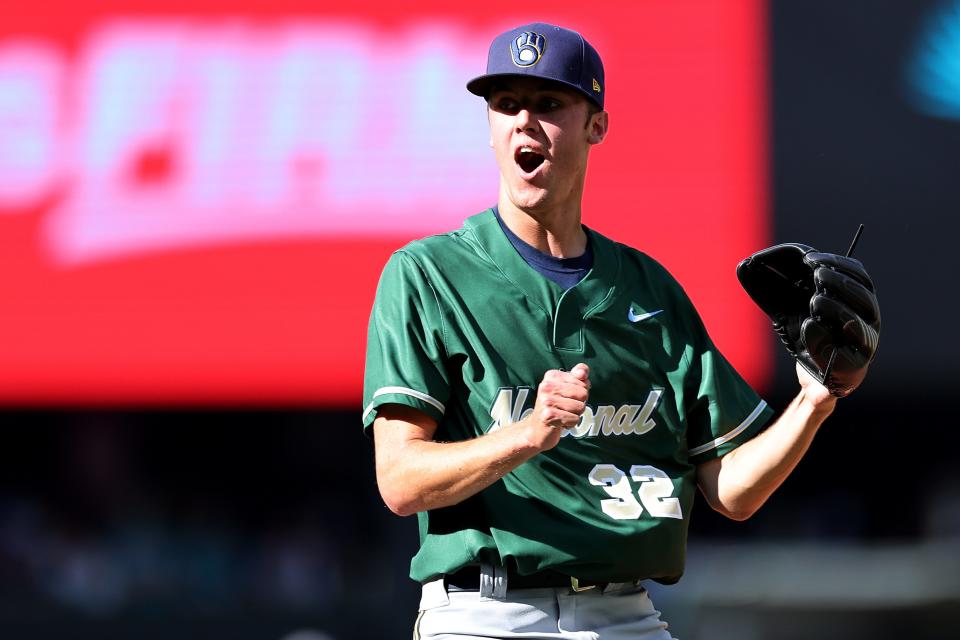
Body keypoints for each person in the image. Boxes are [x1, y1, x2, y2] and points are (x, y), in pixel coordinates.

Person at [362, 22, 861, 639]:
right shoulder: (428, 275)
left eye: (549, 104)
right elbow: (401, 481)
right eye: (506, 104)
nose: (524, 121)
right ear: (488, 124)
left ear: (596, 125)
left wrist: (815, 400)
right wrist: (525, 435)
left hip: (625, 613)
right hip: (485, 612)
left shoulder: (649, 290)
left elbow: (732, 490)